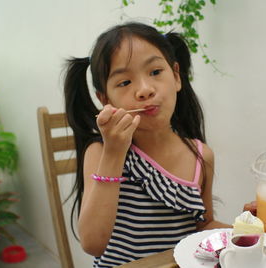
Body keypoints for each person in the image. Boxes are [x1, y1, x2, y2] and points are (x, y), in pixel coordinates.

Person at [64, 21, 234, 268]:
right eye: (124, 82)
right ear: (105, 99)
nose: (144, 90)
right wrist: (114, 152)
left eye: (155, 72)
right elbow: (92, 244)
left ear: (176, 76)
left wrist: (250, 233)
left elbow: (204, 225)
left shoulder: (201, 155)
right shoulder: (101, 152)